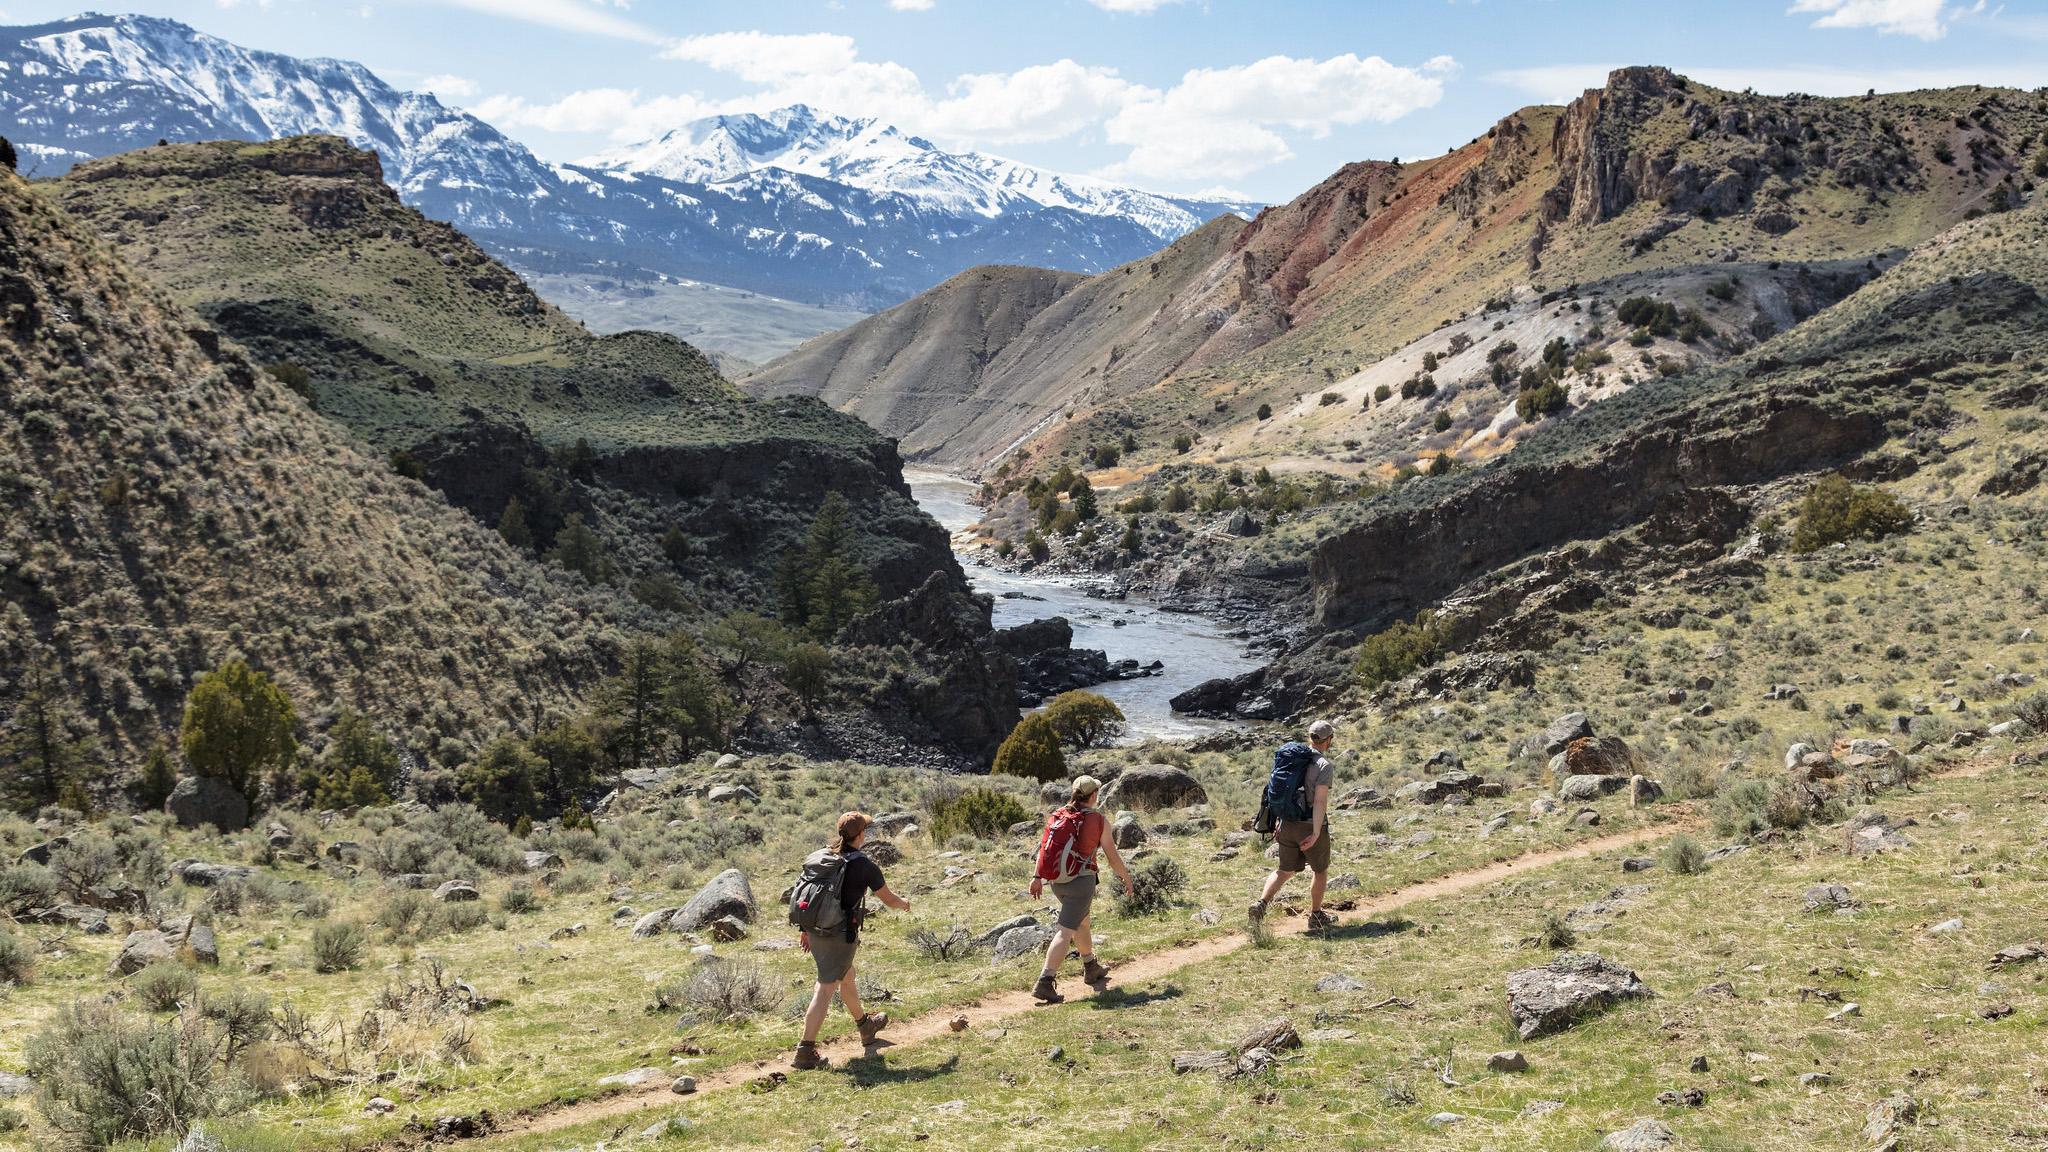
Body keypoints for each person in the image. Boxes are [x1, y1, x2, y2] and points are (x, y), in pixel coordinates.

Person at [793, 812, 909, 1070]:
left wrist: (805, 928)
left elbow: (808, 893)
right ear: (862, 835)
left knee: (847, 975)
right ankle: (805, 1051)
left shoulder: (825, 856)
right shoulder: (864, 865)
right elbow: (888, 900)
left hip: (815, 929)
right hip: (839, 934)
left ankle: (865, 1027)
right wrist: (904, 904)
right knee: (824, 988)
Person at [1028, 775, 1134, 1004]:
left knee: (1082, 921)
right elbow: (1112, 856)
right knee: (1065, 931)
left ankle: (1090, 966)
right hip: (1081, 882)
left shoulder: (1058, 815)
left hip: (1057, 882)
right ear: (1093, 795)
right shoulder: (1098, 821)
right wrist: (1126, 878)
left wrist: (1037, 877)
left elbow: (1044, 848)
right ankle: (1045, 982)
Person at [1249, 720, 1337, 930]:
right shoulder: (1323, 766)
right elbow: (1319, 802)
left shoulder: (1291, 759)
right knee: (1320, 871)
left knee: (1284, 870)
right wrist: (1316, 832)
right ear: (1329, 740)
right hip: (1309, 824)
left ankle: (1261, 903)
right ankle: (1316, 916)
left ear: (1310, 737)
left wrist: (1279, 822)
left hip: (1287, 823)